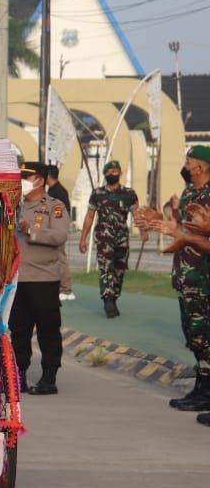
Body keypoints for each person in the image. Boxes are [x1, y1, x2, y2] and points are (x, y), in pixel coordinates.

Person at [136, 146, 210, 418]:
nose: (186, 164)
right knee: (194, 336)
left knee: (205, 335)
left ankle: (206, 391)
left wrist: (178, 231)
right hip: (186, 273)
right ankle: (202, 389)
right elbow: (183, 229)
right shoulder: (191, 192)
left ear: (200, 166)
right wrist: (162, 220)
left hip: (204, 277)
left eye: (189, 160)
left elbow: (195, 235)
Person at [10, 161, 71, 395]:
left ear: (40, 180)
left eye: (27, 177)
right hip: (18, 278)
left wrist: (31, 231)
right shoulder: (14, 205)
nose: (22, 181)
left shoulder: (55, 207)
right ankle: (19, 375)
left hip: (44, 278)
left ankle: (49, 377)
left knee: (48, 329)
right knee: (19, 330)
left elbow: (60, 236)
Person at [79, 160, 139, 318]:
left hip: (122, 238)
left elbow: (137, 214)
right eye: (109, 171)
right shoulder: (97, 194)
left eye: (115, 171)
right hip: (104, 237)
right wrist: (83, 238)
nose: (113, 173)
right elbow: (90, 216)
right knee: (106, 268)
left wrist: (144, 231)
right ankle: (107, 299)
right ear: (105, 174)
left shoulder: (129, 193)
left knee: (119, 270)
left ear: (120, 173)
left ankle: (114, 296)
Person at [46, 165, 75, 301]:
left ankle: (66, 288)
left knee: (60, 258)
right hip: (51, 230)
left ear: (48, 176)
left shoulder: (58, 192)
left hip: (57, 230)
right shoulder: (52, 190)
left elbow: (60, 212)